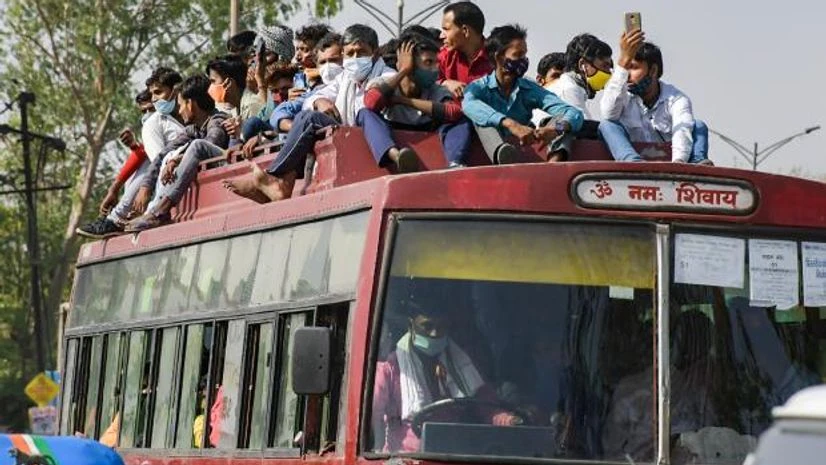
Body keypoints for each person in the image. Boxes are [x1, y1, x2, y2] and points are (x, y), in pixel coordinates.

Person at [222, 24, 394, 204]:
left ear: (374, 53)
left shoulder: (386, 75)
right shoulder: (345, 78)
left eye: (361, 53)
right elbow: (306, 102)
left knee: (306, 120)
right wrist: (319, 102)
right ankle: (280, 182)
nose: (355, 59)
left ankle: (274, 177)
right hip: (341, 133)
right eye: (350, 54)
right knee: (301, 118)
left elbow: (370, 104)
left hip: (360, 138)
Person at [372, 307, 522, 452]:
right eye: (427, 326)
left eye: (441, 327)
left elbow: (488, 408)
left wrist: (508, 420)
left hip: (456, 453)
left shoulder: (462, 364)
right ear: (411, 325)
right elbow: (372, 421)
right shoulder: (388, 370)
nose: (434, 333)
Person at [77, 67, 185, 239]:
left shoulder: (160, 120)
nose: (155, 104)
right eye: (144, 111)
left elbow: (159, 160)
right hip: (171, 172)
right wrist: (115, 188)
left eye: (158, 93)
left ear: (176, 91)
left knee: (149, 163)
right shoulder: (166, 120)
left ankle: (116, 219)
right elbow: (147, 156)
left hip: (174, 174)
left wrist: (145, 187)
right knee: (144, 164)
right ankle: (122, 216)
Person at [462, 25, 584, 164]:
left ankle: (553, 164)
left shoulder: (529, 88)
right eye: (517, 55)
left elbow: (573, 113)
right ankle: (502, 154)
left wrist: (555, 129)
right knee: (482, 120)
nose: (524, 60)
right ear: (499, 57)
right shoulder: (479, 87)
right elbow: (468, 105)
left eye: (524, 54)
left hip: (523, 146)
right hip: (489, 149)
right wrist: (511, 124)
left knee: (565, 121)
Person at [126, 75, 231, 232]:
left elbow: (210, 145)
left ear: (191, 104)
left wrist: (179, 158)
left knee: (196, 146)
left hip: (227, 170)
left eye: (181, 105)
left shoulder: (217, 120)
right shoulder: (194, 129)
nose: (180, 110)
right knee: (170, 155)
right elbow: (162, 154)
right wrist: (146, 186)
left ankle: (161, 211)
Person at [360, 29, 472, 170]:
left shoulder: (435, 89)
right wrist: (404, 71)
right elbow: (372, 102)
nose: (435, 69)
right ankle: (397, 156)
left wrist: (403, 101)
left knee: (461, 120)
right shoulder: (384, 83)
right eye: (428, 62)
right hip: (394, 129)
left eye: (436, 63)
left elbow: (453, 112)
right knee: (365, 113)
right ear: (410, 64)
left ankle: (456, 163)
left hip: (428, 129)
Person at [599, 30, 712, 164]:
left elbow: (682, 132)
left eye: (633, 68)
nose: (627, 75)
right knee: (607, 125)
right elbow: (608, 114)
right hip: (634, 163)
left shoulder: (676, 99)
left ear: (652, 71)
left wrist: (678, 162)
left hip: (672, 162)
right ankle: (633, 163)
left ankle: (697, 163)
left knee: (698, 125)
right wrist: (622, 62)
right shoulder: (621, 94)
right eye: (626, 69)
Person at [438, 1, 492, 98]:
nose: (441, 35)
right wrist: (445, 83)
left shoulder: (496, 59)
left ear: (465, 31)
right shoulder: (444, 57)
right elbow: (424, 84)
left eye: (446, 29)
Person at [206, 54, 248, 142]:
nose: (211, 87)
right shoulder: (237, 107)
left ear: (228, 82)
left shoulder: (250, 105)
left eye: (213, 81)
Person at [294, 23, 333, 90]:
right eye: (297, 49)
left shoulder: (333, 77)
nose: (297, 56)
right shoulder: (299, 77)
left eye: (305, 50)